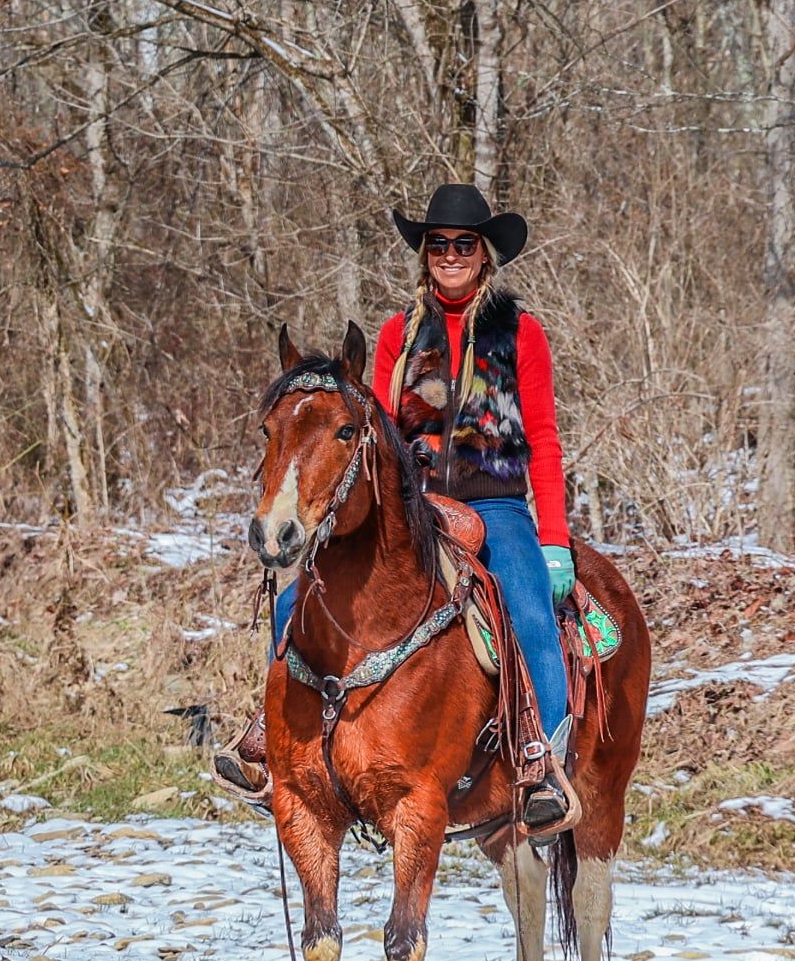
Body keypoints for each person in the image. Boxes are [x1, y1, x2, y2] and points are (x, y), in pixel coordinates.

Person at [217, 183, 577, 835]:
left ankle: (543, 762)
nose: (449, 255)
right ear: (424, 255)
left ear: (485, 254)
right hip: (413, 507)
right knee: (295, 601)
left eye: (462, 244)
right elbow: (374, 430)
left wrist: (553, 537)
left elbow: (544, 438)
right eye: (437, 245)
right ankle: (272, 739)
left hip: (494, 503)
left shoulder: (521, 334)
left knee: (529, 610)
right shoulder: (396, 335)